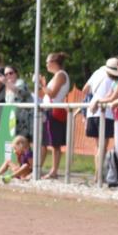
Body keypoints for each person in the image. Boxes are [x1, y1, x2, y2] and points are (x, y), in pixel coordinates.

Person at [39, 51, 70, 179]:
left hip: (55, 111)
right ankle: (39, 167)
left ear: (53, 62)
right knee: (46, 142)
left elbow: (52, 93)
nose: (46, 65)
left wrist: (42, 85)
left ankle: (54, 170)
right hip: (49, 110)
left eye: (47, 62)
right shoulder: (57, 75)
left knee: (55, 143)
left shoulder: (61, 75)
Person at [82, 57, 118, 142]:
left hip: (92, 112)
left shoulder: (97, 72)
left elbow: (85, 90)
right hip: (107, 113)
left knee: (98, 145)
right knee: (103, 147)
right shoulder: (117, 78)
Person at [2, 65, 34, 141]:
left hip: (25, 121)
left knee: (23, 143)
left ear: (16, 74)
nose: (8, 75)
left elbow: (20, 92)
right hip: (14, 119)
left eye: (11, 73)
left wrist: (6, 82)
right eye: (6, 74)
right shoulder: (8, 87)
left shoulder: (20, 82)